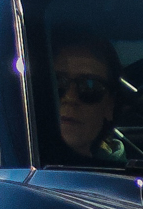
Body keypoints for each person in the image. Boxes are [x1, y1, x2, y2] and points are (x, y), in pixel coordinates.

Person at [48, 33, 126, 161]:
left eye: (90, 86)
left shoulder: (125, 178)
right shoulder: (10, 165)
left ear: (110, 106)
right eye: (57, 83)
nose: (70, 97)